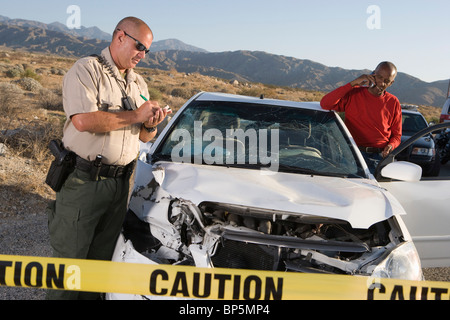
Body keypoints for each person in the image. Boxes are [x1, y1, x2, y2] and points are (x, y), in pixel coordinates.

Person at [46, 17, 171, 300]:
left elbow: (143, 137)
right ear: (119, 37)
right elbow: (82, 121)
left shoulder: (138, 82)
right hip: (84, 182)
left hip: (119, 186)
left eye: (147, 50)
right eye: (139, 46)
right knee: (70, 265)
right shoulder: (87, 70)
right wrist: (137, 115)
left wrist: (150, 123)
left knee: (100, 265)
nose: (142, 54)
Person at [320, 61, 402, 174]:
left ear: (391, 83)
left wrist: (391, 146)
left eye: (386, 81)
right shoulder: (354, 94)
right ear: (373, 74)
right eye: (379, 77)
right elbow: (325, 104)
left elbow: (397, 135)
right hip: (351, 155)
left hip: (378, 159)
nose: (382, 83)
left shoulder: (393, 102)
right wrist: (353, 83)